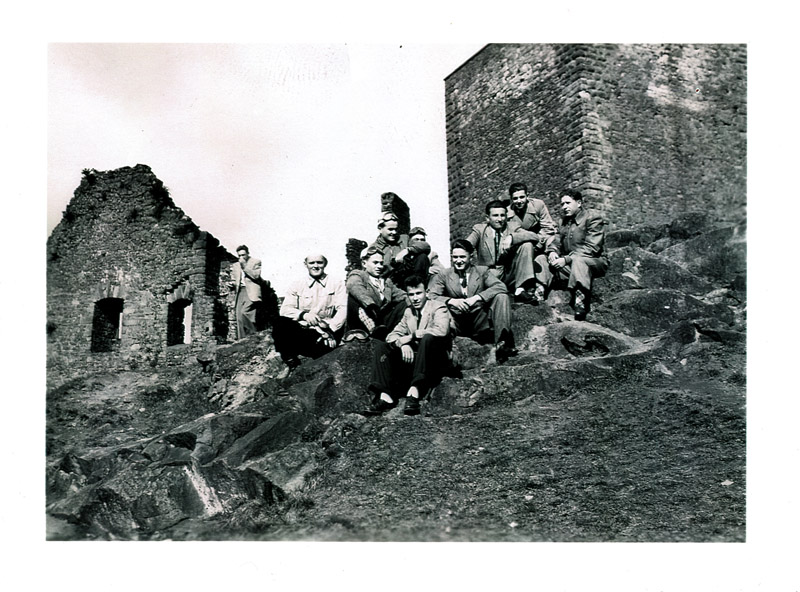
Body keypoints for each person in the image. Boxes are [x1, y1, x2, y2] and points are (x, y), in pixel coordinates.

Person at [364, 274, 452, 416]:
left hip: (436, 358)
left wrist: (411, 336)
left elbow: (441, 330)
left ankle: (415, 392)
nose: (415, 298)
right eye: (411, 295)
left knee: (428, 338)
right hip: (416, 359)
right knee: (381, 346)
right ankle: (385, 396)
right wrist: (403, 345)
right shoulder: (408, 312)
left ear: (427, 293)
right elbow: (392, 336)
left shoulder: (438, 307)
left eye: (418, 293)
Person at [429, 239, 518, 364]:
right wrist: (452, 301)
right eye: (455, 257)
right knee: (440, 308)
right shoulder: (444, 274)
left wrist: (476, 298)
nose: (458, 261)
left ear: (471, 257)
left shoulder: (482, 271)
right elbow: (432, 295)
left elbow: (501, 286)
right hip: (457, 321)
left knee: (501, 296)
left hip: (479, 320)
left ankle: (502, 344)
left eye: (462, 257)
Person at [542, 189, 608, 320]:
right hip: (571, 264)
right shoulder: (563, 222)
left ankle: (580, 302)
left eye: (567, 203)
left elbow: (592, 248)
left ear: (578, 203)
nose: (564, 207)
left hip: (594, 262)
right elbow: (556, 240)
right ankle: (538, 294)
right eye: (562, 204)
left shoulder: (592, 218)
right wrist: (552, 251)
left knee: (579, 261)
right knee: (542, 259)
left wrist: (566, 259)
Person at [272, 254, 347, 369]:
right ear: (305, 264)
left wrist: (330, 330)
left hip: (325, 331)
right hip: (304, 330)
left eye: (319, 263)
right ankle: (291, 363)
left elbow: (343, 309)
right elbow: (285, 310)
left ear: (325, 264)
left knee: (323, 348)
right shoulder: (297, 284)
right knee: (280, 323)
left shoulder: (337, 283)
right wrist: (304, 315)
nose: (316, 266)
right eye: (312, 263)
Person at [464, 199, 543, 303]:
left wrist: (512, 237)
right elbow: (465, 246)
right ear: (487, 218)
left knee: (527, 245)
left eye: (502, 215)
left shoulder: (512, 226)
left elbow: (534, 236)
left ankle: (520, 290)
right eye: (495, 216)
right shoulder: (480, 230)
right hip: (489, 274)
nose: (500, 219)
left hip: (510, 273)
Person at [507, 181, 557, 302]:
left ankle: (539, 288)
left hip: (540, 244)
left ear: (527, 196)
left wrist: (539, 242)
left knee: (542, 260)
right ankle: (521, 288)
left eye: (522, 197)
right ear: (511, 199)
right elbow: (513, 234)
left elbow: (548, 227)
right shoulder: (507, 214)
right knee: (527, 245)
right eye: (515, 198)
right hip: (520, 249)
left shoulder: (538, 205)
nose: (519, 201)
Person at [345, 245, 407, 340]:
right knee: (354, 297)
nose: (379, 266)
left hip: (382, 321)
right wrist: (371, 305)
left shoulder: (386, 282)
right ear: (364, 264)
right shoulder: (358, 275)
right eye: (375, 263)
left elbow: (401, 295)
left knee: (404, 304)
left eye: (381, 263)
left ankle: (395, 333)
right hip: (364, 320)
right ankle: (372, 329)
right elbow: (355, 287)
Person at [371, 210, 432, 287]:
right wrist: (394, 264)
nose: (394, 232)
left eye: (396, 229)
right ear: (380, 229)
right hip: (391, 283)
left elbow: (425, 246)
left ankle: (418, 289)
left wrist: (407, 250)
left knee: (422, 257)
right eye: (390, 229)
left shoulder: (404, 239)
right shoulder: (374, 248)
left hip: (410, 278)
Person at [231, 245, 262, 339]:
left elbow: (256, 276)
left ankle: (253, 336)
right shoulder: (236, 265)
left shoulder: (255, 262)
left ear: (248, 254)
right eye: (239, 255)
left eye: (243, 255)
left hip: (251, 292)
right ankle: (242, 340)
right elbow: (235, 279)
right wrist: (232, 284)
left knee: (245, 313)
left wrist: (244, 266)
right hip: (240, 291)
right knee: (239, 316)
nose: (241, 257)